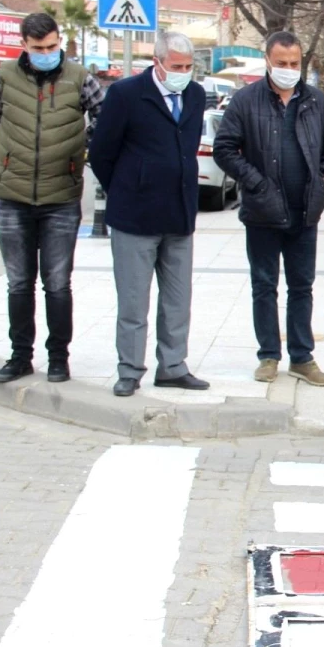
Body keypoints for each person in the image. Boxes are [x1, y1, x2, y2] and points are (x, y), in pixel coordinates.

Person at [213, 31, 324, 386]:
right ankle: (269, 355)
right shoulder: (245, 101)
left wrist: (322, 175)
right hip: (262, 212)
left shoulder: (315, 101)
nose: (289, 69)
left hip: (306, 211)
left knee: (302, 286)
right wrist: (255, 182)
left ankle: (301, 357)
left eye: (295, 63)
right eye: (282, 63)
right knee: (264, 286)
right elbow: (224, 148)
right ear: (268, 61)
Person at [0, 12, 104, 385]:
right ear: (24, 45)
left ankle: (58, 358)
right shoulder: (3, 76)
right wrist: (4, 157)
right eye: (39, 48)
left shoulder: (80, 79)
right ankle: (20, 357)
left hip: (61, 196)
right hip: (12, 195)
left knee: (57, 282)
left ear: (59, 40)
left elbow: (105, 120)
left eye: (52, 46)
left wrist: (80, 152)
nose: (47, 53)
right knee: (18, 282)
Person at [88, 32, 208, 397]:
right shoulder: (126, 94)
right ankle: (129, 369)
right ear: (157, 62)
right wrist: (127, 187)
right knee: (133, 301)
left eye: (188, 67)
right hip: (135, 217)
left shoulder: (195, 95)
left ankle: (173, 366)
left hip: (179, 215)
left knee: (177, 300)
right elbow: (101, 153)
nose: (183, 73)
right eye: (176, 67)